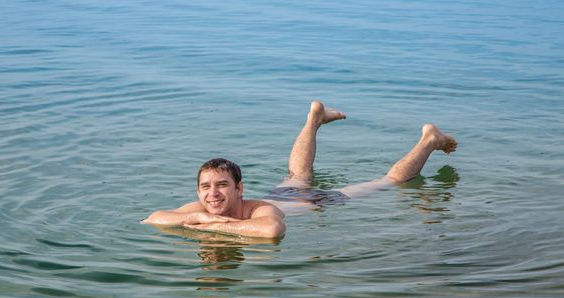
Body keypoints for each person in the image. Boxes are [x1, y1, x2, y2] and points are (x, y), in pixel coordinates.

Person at [142, 101, 457, 238]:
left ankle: (429, 140)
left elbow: (272, 231)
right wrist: (195, 217)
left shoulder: (257, 211)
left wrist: (211, 225)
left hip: (316, 201)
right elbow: (153, 218)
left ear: (240, 189)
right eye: (206, 186)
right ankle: (314, 117)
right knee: (298, 173)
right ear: (198, 191)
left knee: (387, 182)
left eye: (222, 185)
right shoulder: (202, 208)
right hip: (285, 194)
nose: (212, 193)